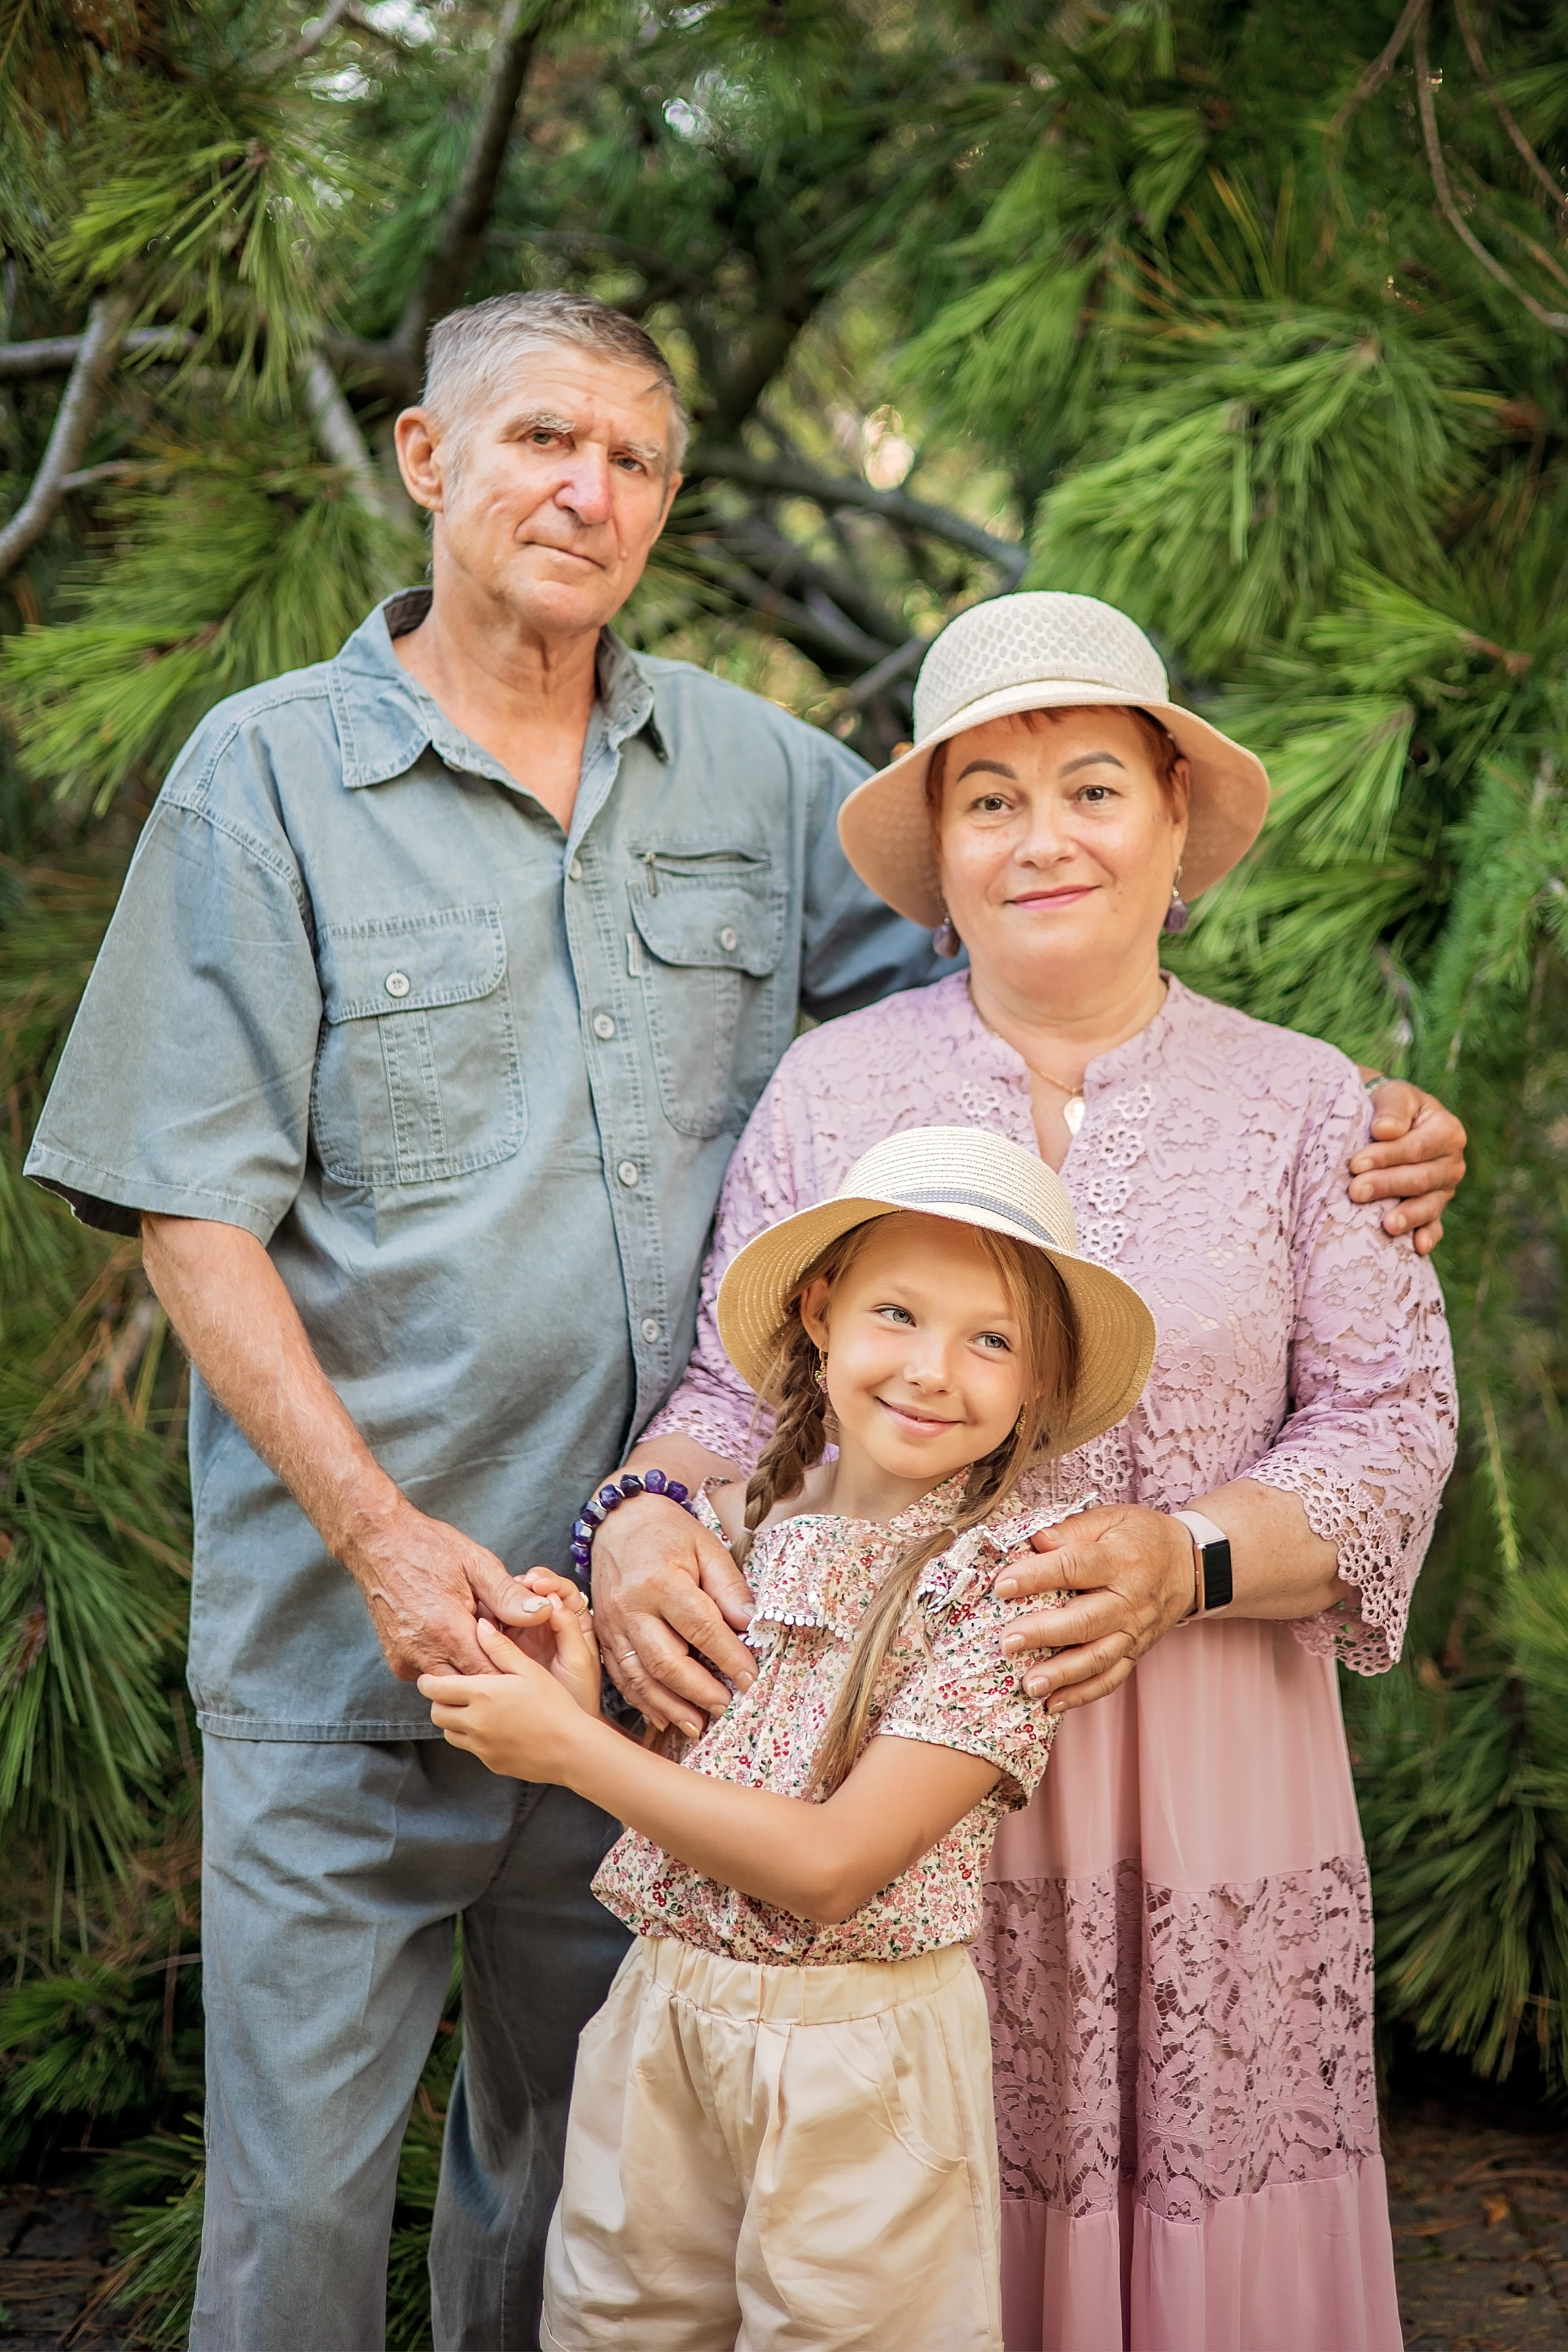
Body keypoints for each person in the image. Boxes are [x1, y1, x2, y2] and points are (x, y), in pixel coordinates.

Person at [20, 290, 948, 2351]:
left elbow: (999, 990)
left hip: (656, 1658)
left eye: (632, 461)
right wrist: (380, 1540)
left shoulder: (763, 778)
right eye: (541, 441)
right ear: (431, 464)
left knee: (588, 2207)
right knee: (298, 2226)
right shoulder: (263, 780)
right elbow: (187, 1211)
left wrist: (1330, 1119)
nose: (586, 492)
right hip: (354, 1649)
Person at [594, 592, 1459, 2351]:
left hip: (1216, 1758)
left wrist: (1187, 1558)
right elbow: (734, 1384)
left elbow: (1391, 1417)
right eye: (989, 799)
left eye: (1088, 787)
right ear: (942, 854)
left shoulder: (1317, 1111)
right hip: (893, 1773)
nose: (1041, 836)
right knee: (906, 2227)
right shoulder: (835, 1092)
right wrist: (648, 1517)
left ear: (1170, 826)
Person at [418, 1126, 1158, 2352]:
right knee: (617, 2324)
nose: (933, 1369)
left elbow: (827, 1868)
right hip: (662, 2013)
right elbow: (691, 1795)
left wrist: (563, 1746)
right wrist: (587, 1675)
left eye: (991, 1339)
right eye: (897, 1315)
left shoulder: (1007, 1592)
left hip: (858, 2052)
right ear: (819, 1312)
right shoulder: (731, 1532)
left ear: (1038, 1378)